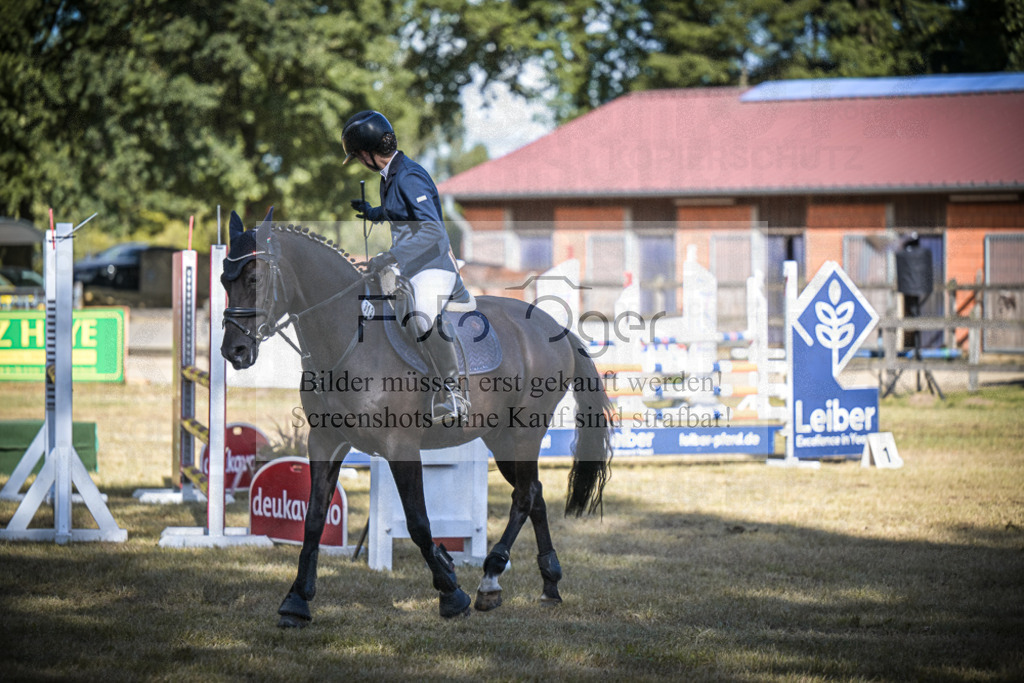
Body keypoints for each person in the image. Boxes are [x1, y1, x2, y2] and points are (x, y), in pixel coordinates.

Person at [343, 110, 469, 421]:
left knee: (422, 315)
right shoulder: (393, 175)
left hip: (433, 265)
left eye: (358, 157)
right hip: (412, 264)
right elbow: (402, 212)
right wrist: (373, 213)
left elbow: (432, 229)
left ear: (370, 153)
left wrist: (392, 256)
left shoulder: (409, 176)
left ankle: (452, 392)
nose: (359, 163)